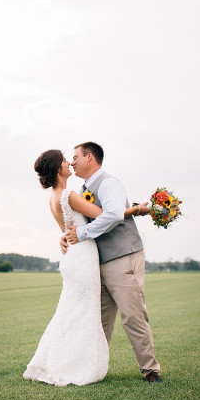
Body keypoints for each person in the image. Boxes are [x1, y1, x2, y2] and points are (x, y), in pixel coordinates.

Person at [23, 149, 150, 386]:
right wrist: (135, 210)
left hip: (73, 257)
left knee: (73, 311)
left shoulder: (55, 196)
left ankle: (68, 361)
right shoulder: (69, 194)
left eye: (72, 158)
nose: (69, 162)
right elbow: (105, 215)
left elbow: (69, 225)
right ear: (57, 168)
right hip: (83, 257)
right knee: (84, 313)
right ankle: (77, 364)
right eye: (64, 160)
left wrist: (65, 235)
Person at [62, 141, 162, 383]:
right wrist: (66, 236)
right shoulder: (84, 189)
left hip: (123, 257)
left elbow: (114, 215)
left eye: (75, 157)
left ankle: (150, 370)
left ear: (89, 157)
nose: (72, 162)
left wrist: (82, 234)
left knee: (133, 315)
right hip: (98, 263)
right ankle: (94, 369)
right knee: (100, 320)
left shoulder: (109, 183)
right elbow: (84, 220)